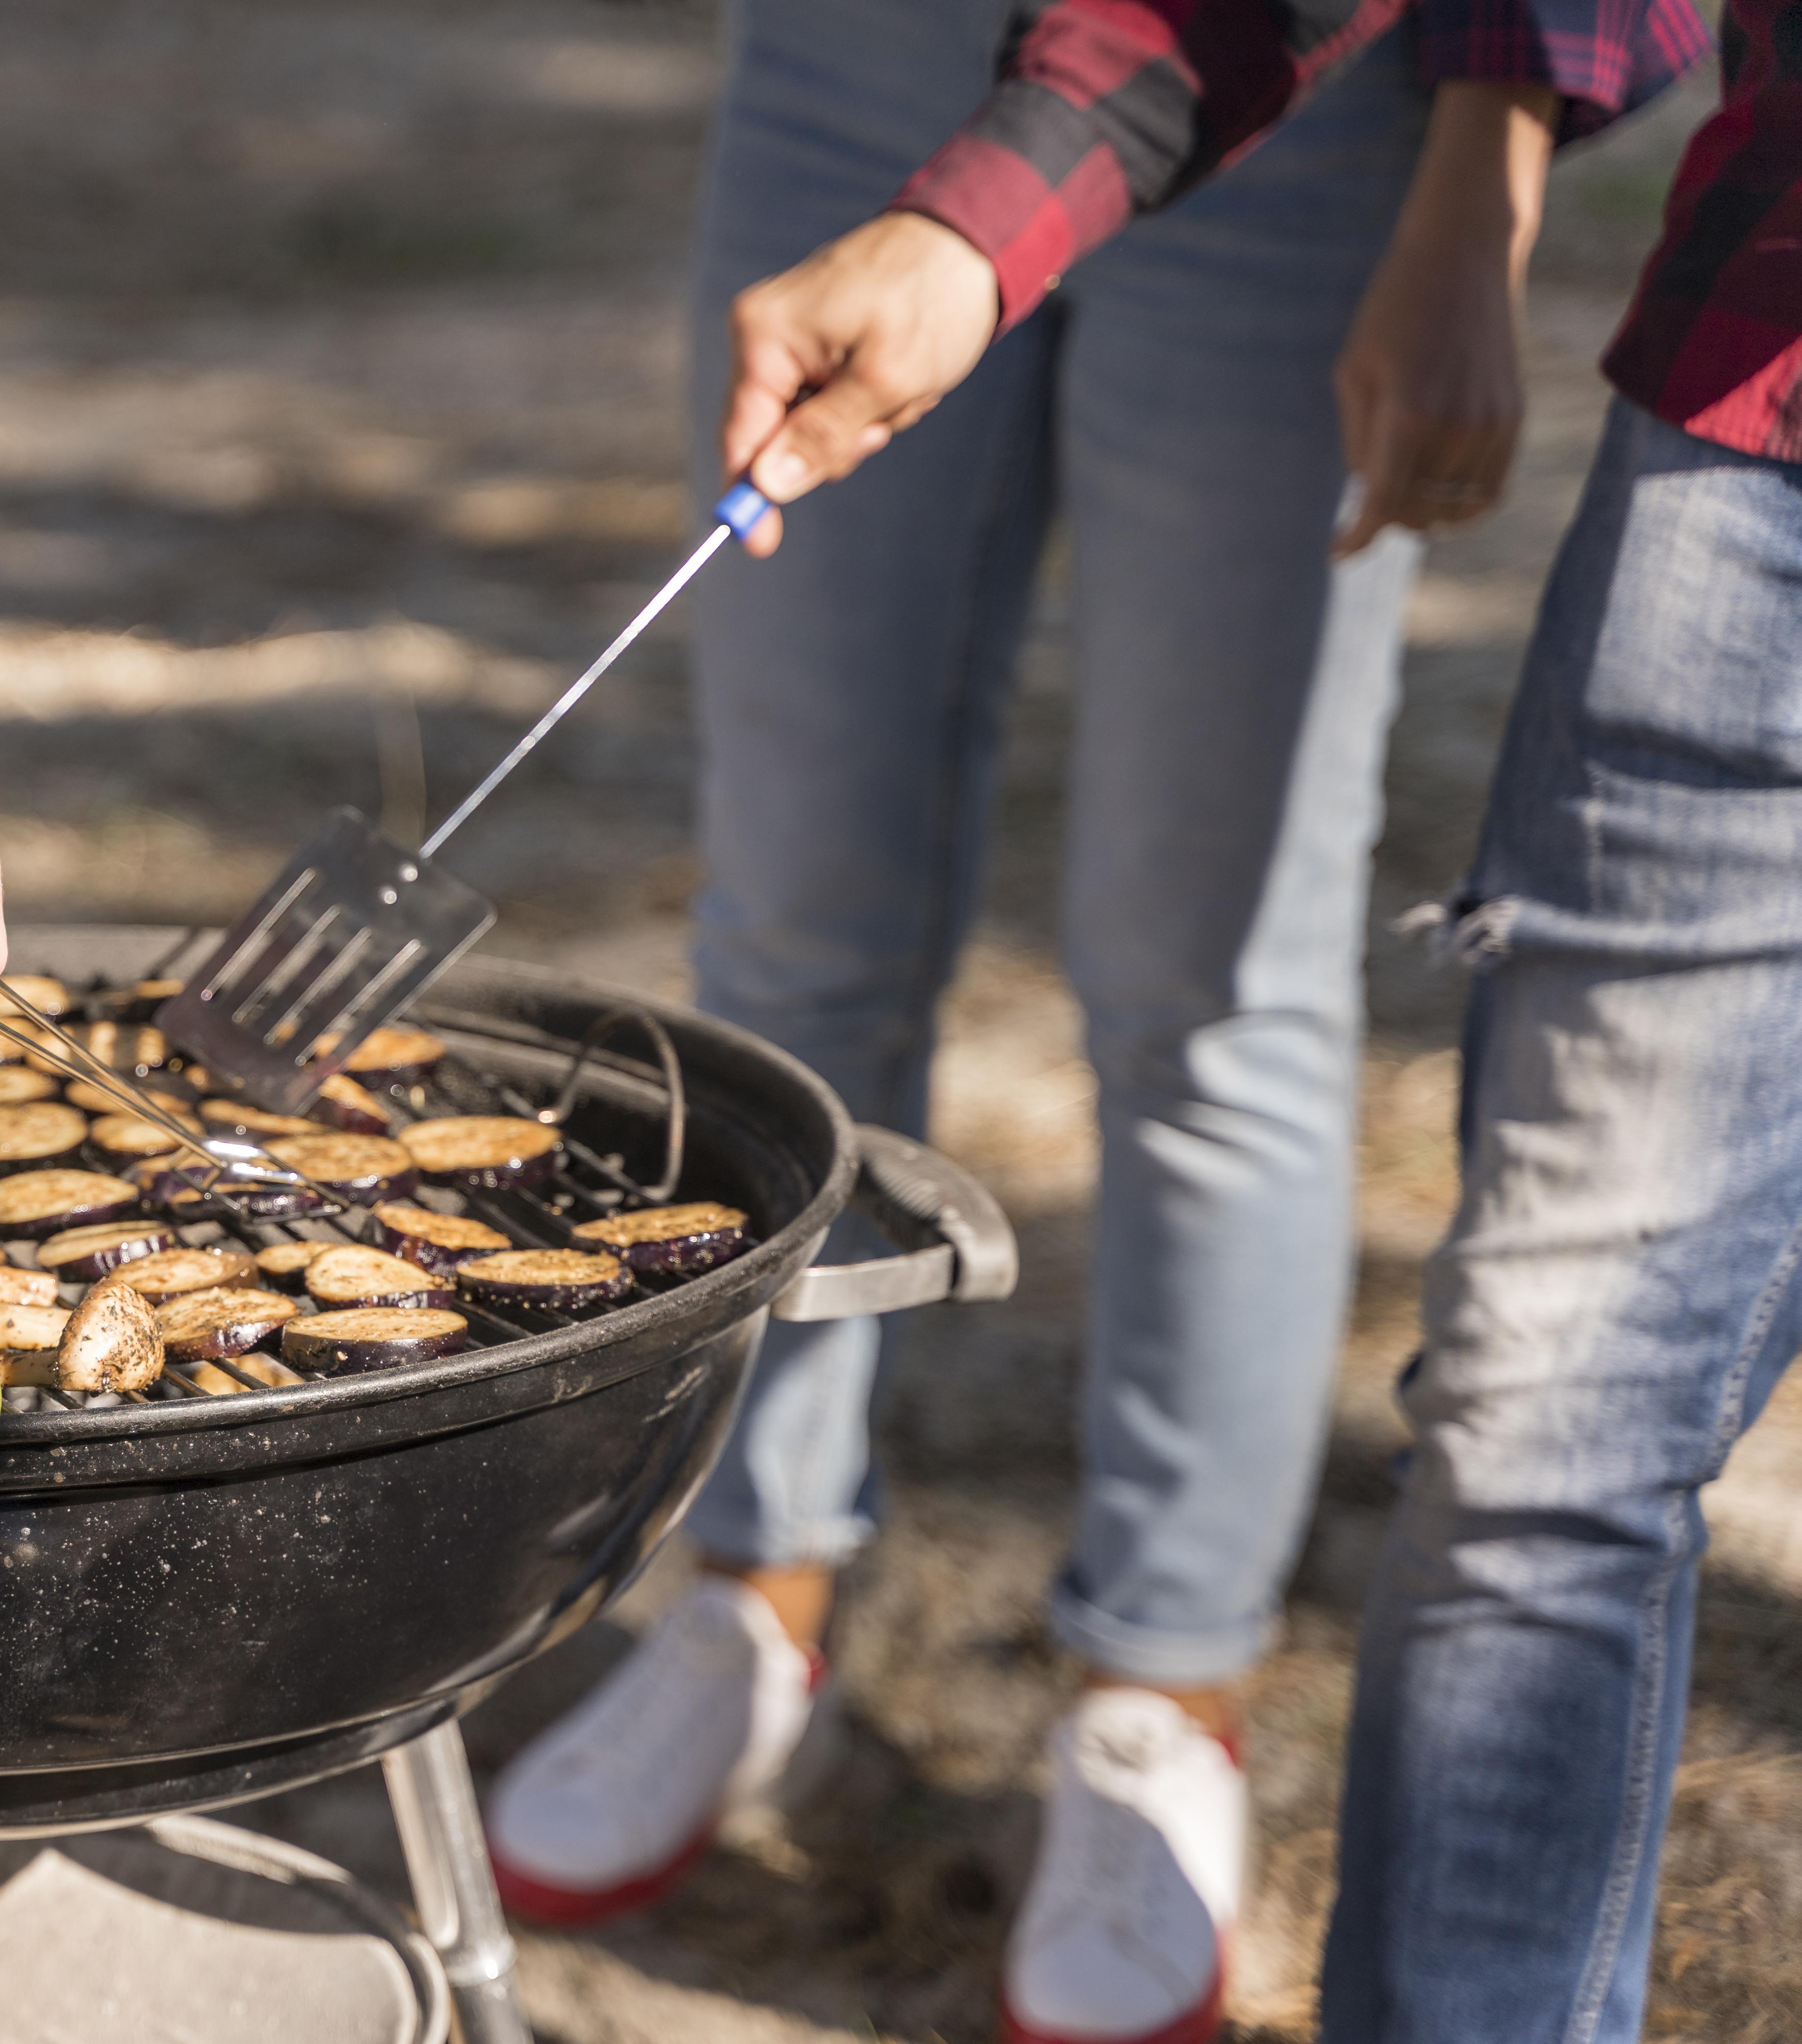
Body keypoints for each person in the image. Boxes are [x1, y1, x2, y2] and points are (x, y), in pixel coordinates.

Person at [482, 4, 1701, 2039]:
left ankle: (1163, 1688)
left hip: (1326, 101)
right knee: (794, 919)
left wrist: (1481, 170)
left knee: (1217, 980)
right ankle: (753, 1595)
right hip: (855, 67)